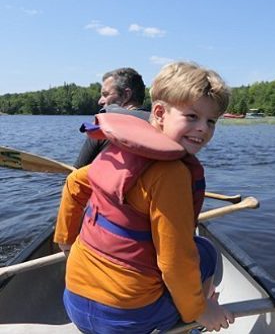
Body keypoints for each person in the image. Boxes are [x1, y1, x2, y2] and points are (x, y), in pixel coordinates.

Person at [54, 61, 234, 333]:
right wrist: (199, 309)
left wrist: (66, 241)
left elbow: (74, 183)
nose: (203, 129)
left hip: (75, 301)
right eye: (192, 117)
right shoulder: (171, 174)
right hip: (126, 318)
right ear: (159, 112)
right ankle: (197, 322)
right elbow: (175, 261)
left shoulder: (118, 150)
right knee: (206, 252)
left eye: (211, 121)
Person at [74, 67, 150, 168]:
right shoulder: (160, 127)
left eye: (105, 95)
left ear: (126, 95)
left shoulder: (102, 129)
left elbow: (75, 174)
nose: (100, 101)